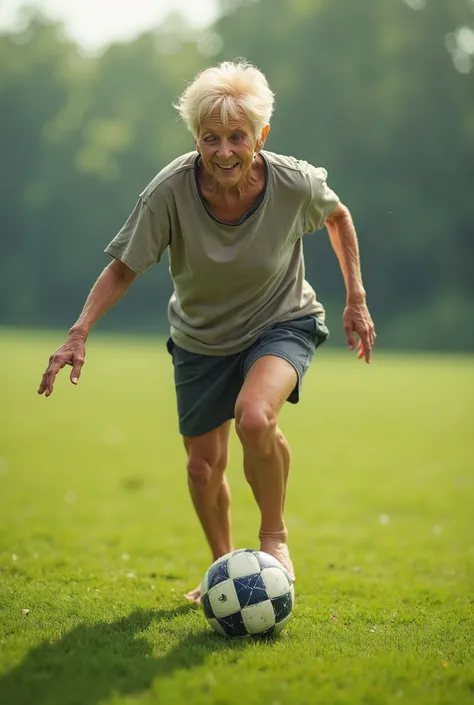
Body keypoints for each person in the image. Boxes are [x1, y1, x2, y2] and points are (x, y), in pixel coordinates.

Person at [38, 60, 376, 603]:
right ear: (196, 138)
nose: (223, 151)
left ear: (260, 136)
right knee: (201, 467)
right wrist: (78, 333)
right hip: (200, 338)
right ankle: (226, 570)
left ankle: (274, 537)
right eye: (210, 137)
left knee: (255, 416)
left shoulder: (293, 182)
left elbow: (338, 217)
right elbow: (123, 266)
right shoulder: (169, 191)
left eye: (237, 137)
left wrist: (355, 298)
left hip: (280, 320)